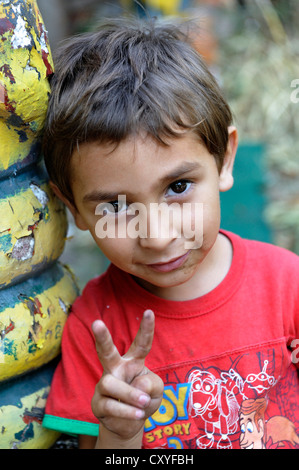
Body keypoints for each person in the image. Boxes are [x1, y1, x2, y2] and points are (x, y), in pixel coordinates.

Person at [41, 16, 299, 449]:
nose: (157, 236)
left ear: (225, 159)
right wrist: (119, 431)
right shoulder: (96, 328)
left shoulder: (287, 286)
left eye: (177, 187)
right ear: (73, 209)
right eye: (116, 206)